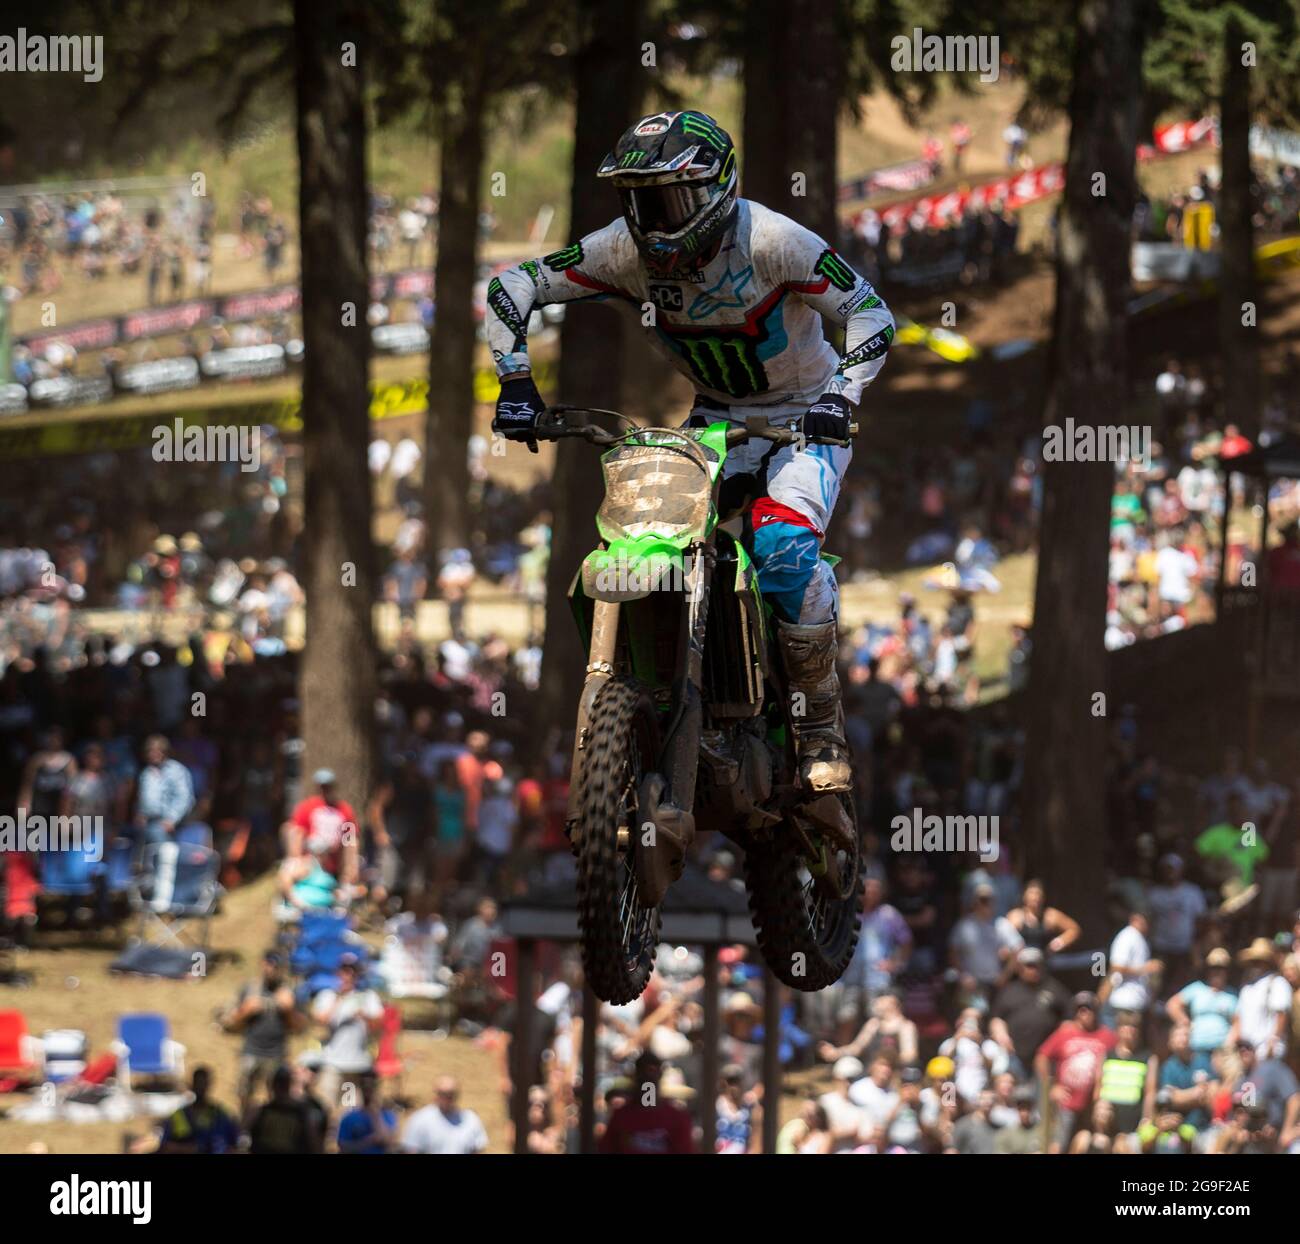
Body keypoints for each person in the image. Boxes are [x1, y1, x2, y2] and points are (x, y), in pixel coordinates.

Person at [489, 110, 894, 798]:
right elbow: (513, 286)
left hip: (806, 415)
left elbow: (872, 314)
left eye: (671, 199)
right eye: (639, 201)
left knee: (784, 549)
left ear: (718, 191)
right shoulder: (621, 248)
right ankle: (684, 699)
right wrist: (517, 383)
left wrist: (843, 397)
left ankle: (819, 725)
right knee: (659, 540)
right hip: (711, 417)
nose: (653, 219)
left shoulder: (773, 239)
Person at [221, 948, 305, 1121]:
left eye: (276, 966)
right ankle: (245, 1126)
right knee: (244, 1093)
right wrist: (245, 1011)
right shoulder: (250, 989)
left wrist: (288, 1011)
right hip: (251, 1050)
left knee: (277, 1096)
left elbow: (300, 1029)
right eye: (269, 964)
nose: (271, 969)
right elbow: (229, 1025)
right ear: (263, 964)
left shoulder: (289, 992)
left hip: (277, 1053)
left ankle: (272, 1126)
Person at [1034, 992, 1117, 1153]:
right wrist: (1051, 1087)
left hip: (1093, 1104)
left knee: (1090, 1144)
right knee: (1060, 1143)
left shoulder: (1107, 1036)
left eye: (1089, 1009)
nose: (1084, 1013)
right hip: (1067, 1102)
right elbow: (1042, 1056)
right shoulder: (1064, 1033)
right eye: (1080, 1009)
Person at [311, 955, 384, 1106]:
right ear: (338, 973)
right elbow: (320, 1020)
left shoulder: (367, 996)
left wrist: (364, 1015)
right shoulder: (328, 996)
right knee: (326, 1106)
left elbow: (379, 1024)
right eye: (344, 971)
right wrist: (338, 999)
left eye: (352, 972)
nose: (348, 976)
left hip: (356, 1065)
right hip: (332, 1062)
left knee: (349, 1109)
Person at [989, 947, 1073, 1074]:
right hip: (1014, 1056)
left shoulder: (1055, 988)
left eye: (1037, 965)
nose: (1033, 970)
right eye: (1029, 966)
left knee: (1043, 1092)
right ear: (1019, 968)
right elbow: (996, 1018)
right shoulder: (1009, 991)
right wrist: (1001, 1035)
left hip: (1045, 1058)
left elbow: (1069, 1019)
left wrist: (1055, 1043)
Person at [1166, 946, 1238, 1054]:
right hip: (1197, 1047)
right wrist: (1184, 1022)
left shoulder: (1232, 994)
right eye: (1214, 968)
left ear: (1227, 971)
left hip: (1221, 1050)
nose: (1217, 972)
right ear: (1208, 970)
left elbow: (1238, 1022)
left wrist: (1229, 1043)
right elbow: (1172, 1004)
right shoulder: (1197, 988)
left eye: (1221, 968)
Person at [1231, 938, 1293, 1059]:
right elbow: (1238, 1016)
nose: (1256, 965)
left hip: (1266, 1050)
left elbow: (1281, 1014)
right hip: (1246, 1051)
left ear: (1268, 962)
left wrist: (1273, 1042)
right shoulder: (1247, 987)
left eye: (1260, 961)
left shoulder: (1277, 983)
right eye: (1254, 961)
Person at [158, 1067, 240, 1154]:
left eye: (203, 1083)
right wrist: (186, 1148)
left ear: (209, 1085)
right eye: (198, 1083)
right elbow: (165, 1146)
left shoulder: (220, 1115)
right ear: (192, 1085)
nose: (201, 1087)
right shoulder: (179, 1115)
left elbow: (234, 1144)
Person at [403, 1075, 489, 1154]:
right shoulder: (420, 1119)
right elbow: (411, 1149)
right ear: (435, 1094)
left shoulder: (470, 1119)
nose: (447, 1098)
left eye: (451, 1094)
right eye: (443, 1094)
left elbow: (478, 1148)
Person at [248, 1065, 319, 1155]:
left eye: (283, 1084)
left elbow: (313, 1143)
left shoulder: (302, 1113)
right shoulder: (260, 1111)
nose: (280, 1088)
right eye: (279, 1084)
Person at [336, 1071, 399, 1154]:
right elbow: (343, 1147)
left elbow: (389, 1142)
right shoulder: (349, 1117)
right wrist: (369, 1141)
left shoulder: (387, 1115)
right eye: (365, 1085)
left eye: (371, 1085)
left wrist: (374, 1113)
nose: (368, 1089)